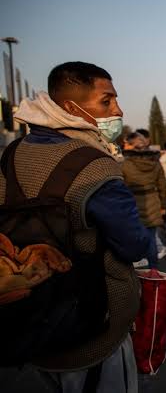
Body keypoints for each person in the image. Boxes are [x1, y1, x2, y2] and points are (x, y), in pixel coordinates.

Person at [5, 61, 153, 391]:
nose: (118, 109)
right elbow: (133, 244)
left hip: (27, 320)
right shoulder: (94, 164)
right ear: (72, 108)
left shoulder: (10, 156)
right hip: (93, 333)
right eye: (106, 101)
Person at [122, 132, 166, 268]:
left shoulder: (124, 164)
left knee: (135, 238)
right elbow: (162, 186)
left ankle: (139, 265)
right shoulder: (155, 162)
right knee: (151, 239)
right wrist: (163, 206)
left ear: (133, 146)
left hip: (133, 205)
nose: (124, 146)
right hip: (153, 203)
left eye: (126, 143)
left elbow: (121, 188)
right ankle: (154, 270)